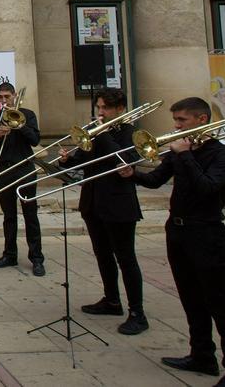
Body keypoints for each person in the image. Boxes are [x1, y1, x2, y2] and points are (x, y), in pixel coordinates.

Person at [119, 97, 225, 387]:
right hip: (177, 231)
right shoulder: (179, 153)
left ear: (201, 120)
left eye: (181, 121)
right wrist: (133, 175)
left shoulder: (222, 156)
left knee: (220, 303)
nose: (175, 126)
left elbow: (208, 189)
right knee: (191, 299)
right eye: (175, 120)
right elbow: (156, 180)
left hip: (207, 233)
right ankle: (202, 354)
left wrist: (186, 155)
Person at [57, 88, 146, 334]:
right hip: (93, 201)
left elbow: (122, 159)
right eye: (98, 108)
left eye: (105, 108)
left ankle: (137, 312)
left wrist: (104, 133)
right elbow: (86, 161)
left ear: (120, 109)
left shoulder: (132, 133)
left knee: (126, 258)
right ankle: (112, 300)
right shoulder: (96, 133)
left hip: (119, 204)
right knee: (103, 254)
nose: (100, 112)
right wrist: (67, 160)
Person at [0, 82, 44, 276]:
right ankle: (9, 254)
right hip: (4, 170)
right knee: (8, 216)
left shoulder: (28, 115)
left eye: (6, 97)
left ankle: (36, 258)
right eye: (0, 97)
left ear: (14, 96)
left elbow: (35, 140)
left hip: (24, 168)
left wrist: (20, 125)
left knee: (30, 215)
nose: (3, 101)